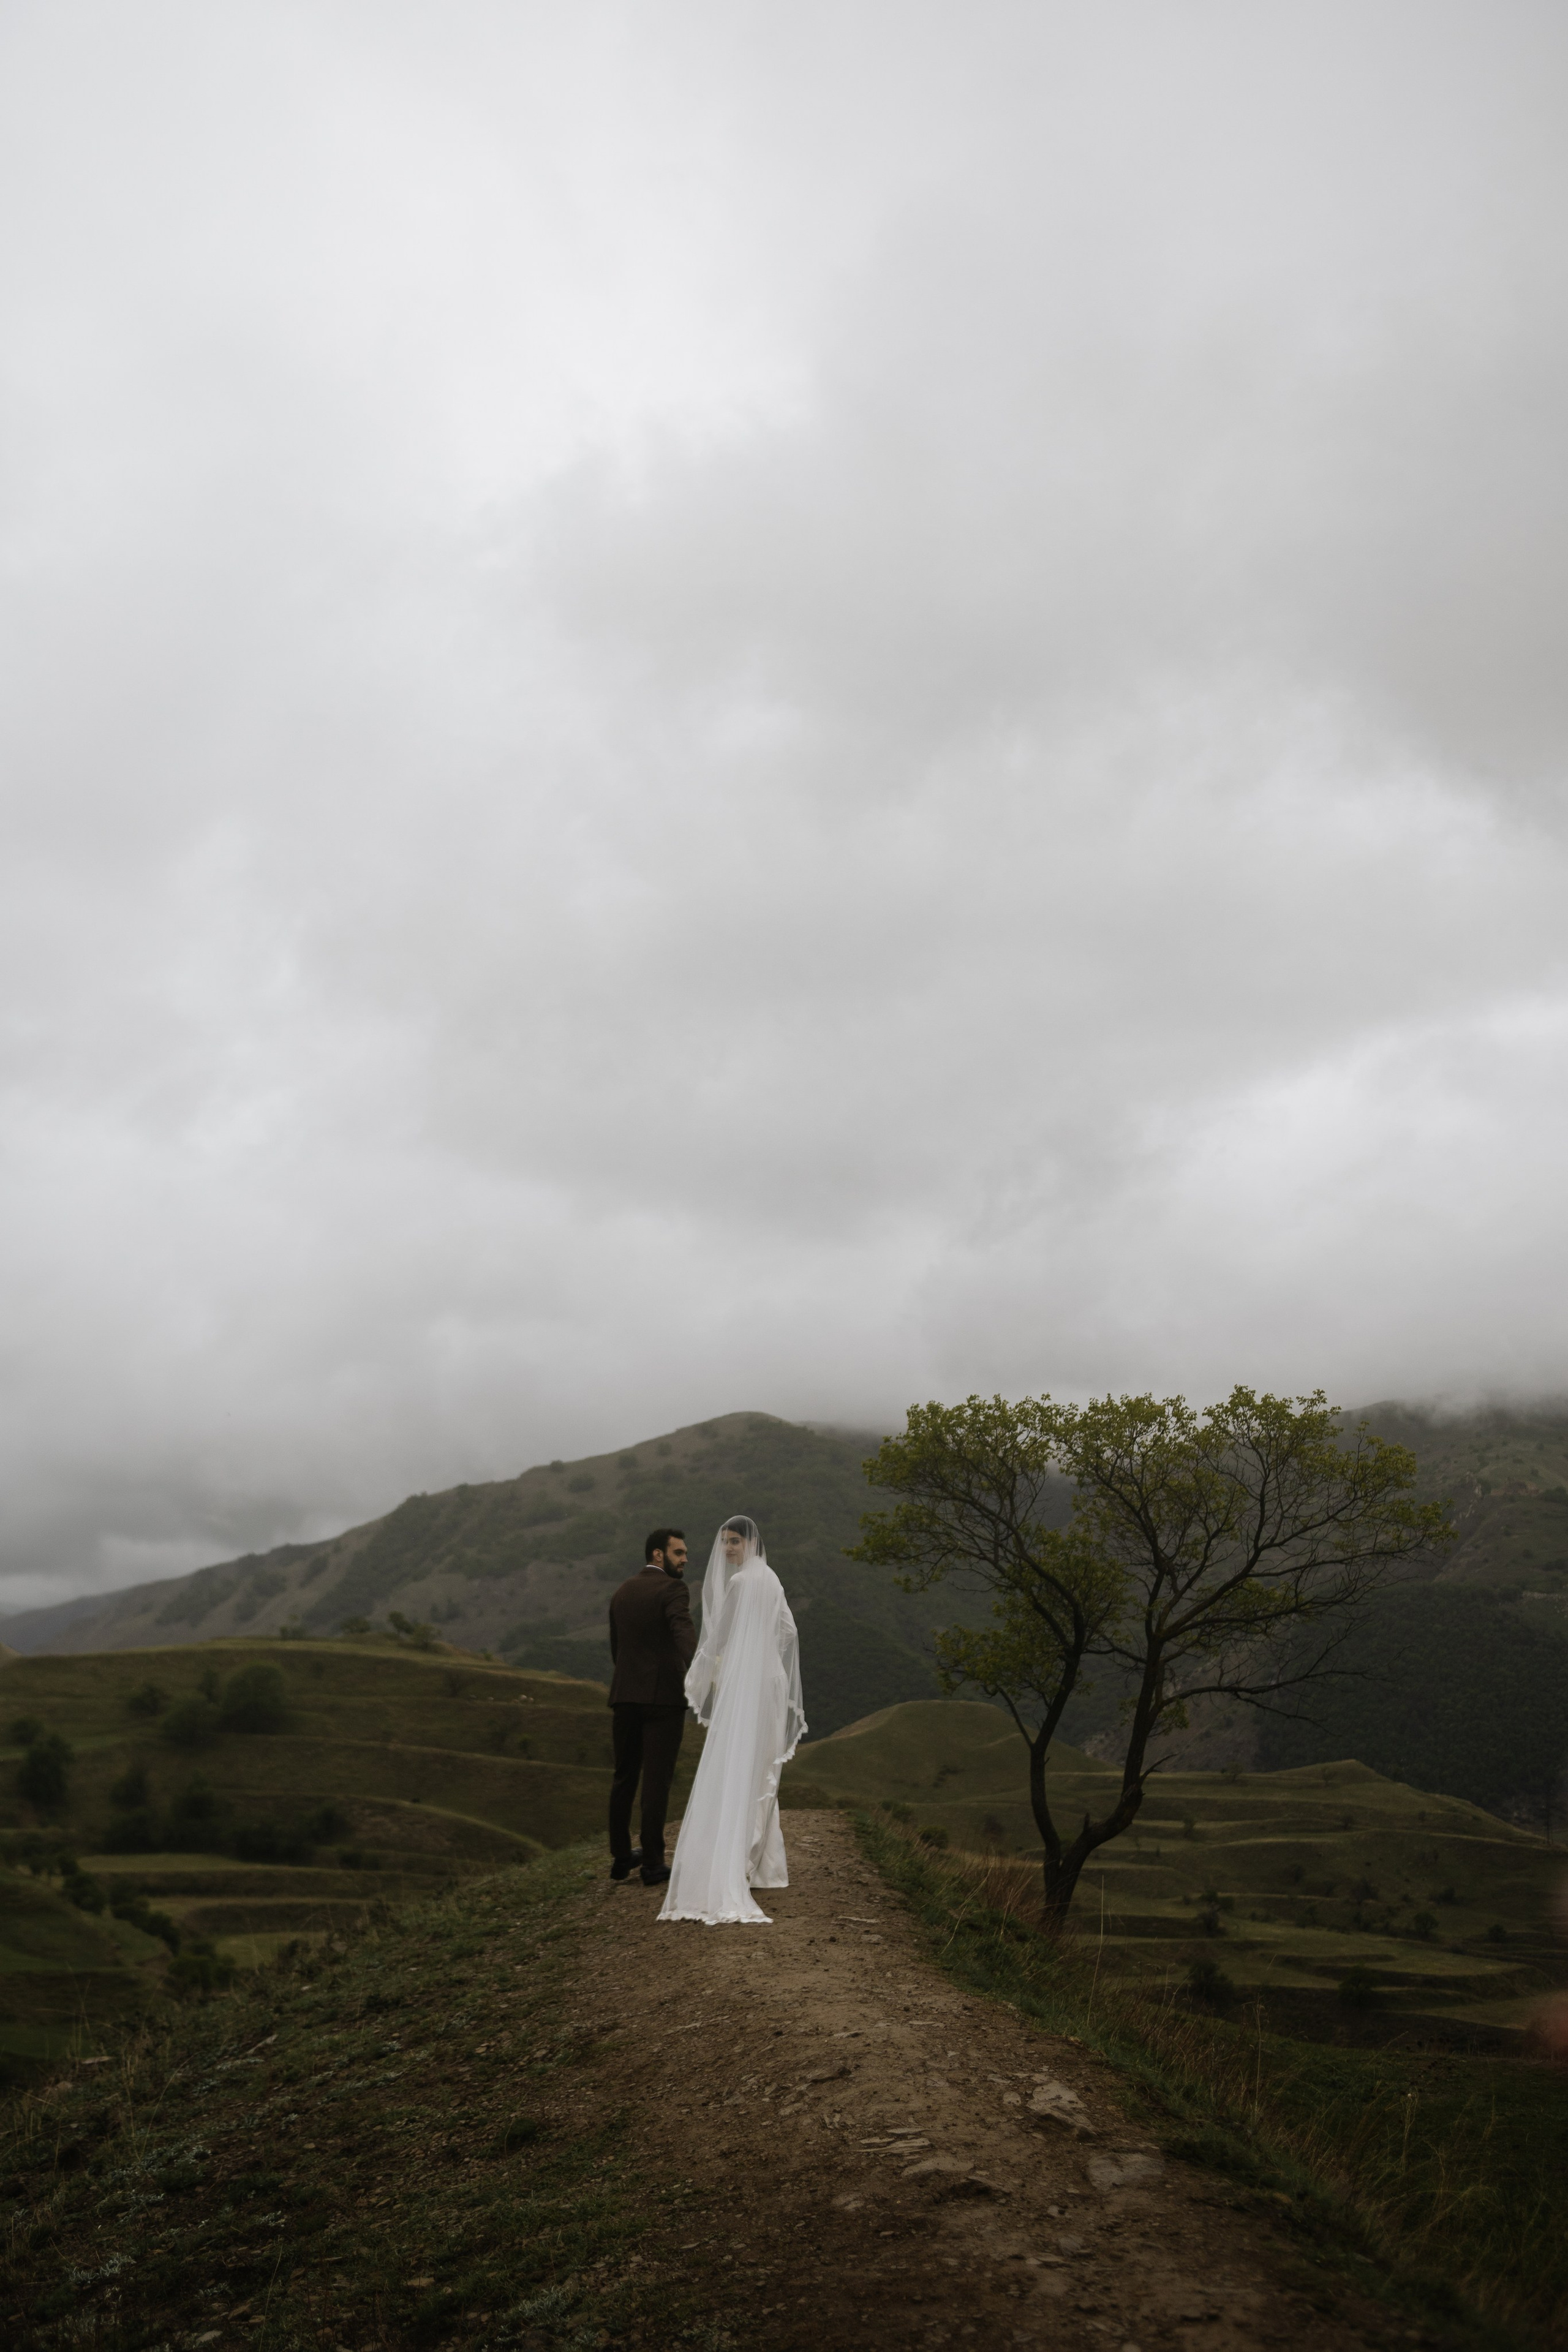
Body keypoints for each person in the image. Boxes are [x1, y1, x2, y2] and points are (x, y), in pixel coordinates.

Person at [658, 1514, 807, 1926]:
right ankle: (765, 1866)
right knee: (761, 1768)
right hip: (771, 1682)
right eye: (725, 1542)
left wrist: (704, 1672)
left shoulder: (741, 1583)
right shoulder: (772, 1579)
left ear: (751, 1544)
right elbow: (788, 1631)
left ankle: (739, 1860)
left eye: (735, 1542)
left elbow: (719, 1637)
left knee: (739, 1766)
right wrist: (763, 1654)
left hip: (749, 1685)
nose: (728, 1550)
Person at [606, 1526, 696, 1887]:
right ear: (658, 1555)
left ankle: (621, 1856)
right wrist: (702, 1669)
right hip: (663, 1699)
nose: (685, 1559)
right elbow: (682, 1630)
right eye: (679, 1553)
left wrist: (630, 1681)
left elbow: (617, 1648)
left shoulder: (622, 1591)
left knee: (624, 1777)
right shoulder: (673, 1589)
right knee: (656, 1782)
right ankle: (654, 1865)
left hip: (625, 1695)